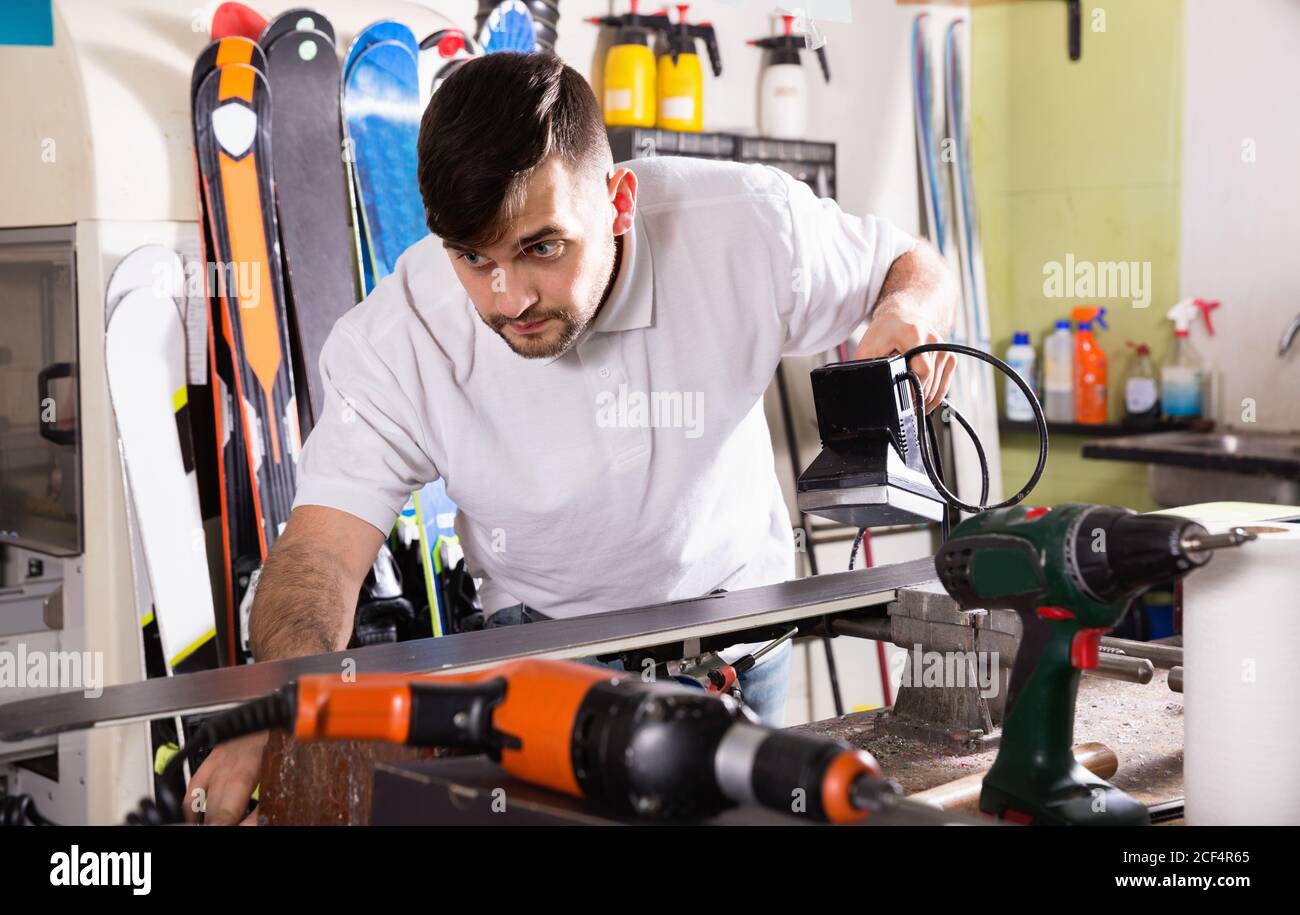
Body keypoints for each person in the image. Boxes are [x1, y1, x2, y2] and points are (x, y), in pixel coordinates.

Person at [188, 51, 958, 824]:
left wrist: (911, 312)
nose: (508, 297)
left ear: (619, 201)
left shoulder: (746, 226)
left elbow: (911, 264)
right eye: (472, 257)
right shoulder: (399, 338)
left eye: (541, 248)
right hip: (547, 672)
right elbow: (317, 556)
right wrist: (287, 703)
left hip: (739, 635)